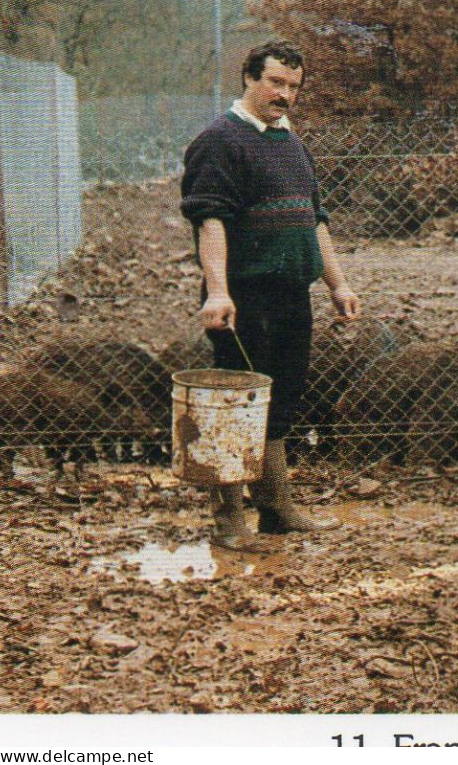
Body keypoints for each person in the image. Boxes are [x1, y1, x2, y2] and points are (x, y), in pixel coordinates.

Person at [180, 39, 361, 550]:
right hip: (244, 298)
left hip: (290, 296)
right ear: (249, 78)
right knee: (234, 404)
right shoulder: (219, 141)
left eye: (294, 86)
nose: (285, 95)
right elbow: (209, 219)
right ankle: (229, 520)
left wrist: (338, 283)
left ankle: (277, 509)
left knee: (279, 403)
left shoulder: (292, 143)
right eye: (276, 82)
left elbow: (314, 220)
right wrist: (217, 292)